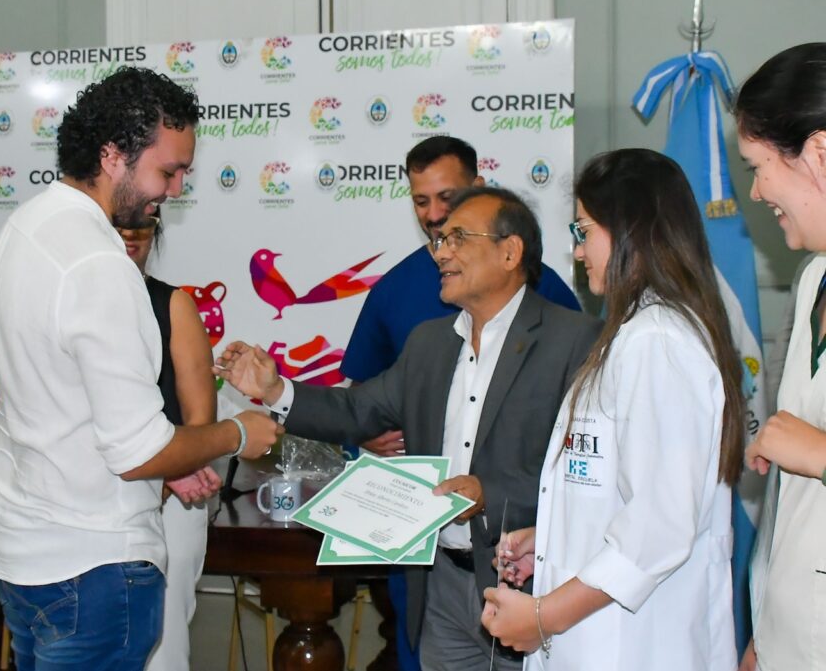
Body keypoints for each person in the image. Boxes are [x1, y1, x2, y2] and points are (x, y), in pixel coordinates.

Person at [216, 186, 600, 671]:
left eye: (458, 238)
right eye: (440, 241)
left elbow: (587, 477)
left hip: (526, 584)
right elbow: (357, 410)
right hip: (439, 586)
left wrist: (490, 494)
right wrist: (276, 390)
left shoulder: (574, 340)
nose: (441, 253)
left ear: (510, 252)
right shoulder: (428, 344)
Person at [0, 67, 281, 671]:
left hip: (22, 550)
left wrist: (170, 467)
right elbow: (139, 452)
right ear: (113, 155)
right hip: (90, 568)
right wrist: (238, 433)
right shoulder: (100, 263)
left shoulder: (25, 226)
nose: (176, 188)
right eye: (169, 171)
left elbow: (66, 404)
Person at [481, 148, 745, 671]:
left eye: (584, 231)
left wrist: (544, 616)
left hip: (640, 647)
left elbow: (659, 528)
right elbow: (621, 494)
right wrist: (553, 542)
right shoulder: (635, 334)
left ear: (631, 230)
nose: (578, 251)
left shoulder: (658, 341)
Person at [341, 135, 582, 671]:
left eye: (447, 201)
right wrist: (358, 431)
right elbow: (363, 399)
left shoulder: (552, 304)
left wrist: (497, 493)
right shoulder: (397, 294)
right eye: (421, 202)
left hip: (520, 565)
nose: (434, 219)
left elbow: (582, 450)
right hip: (429, 560)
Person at [733, 43, 826, 671]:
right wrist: (763, 633)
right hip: (790, 632)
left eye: (758, 166)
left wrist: (817, 452)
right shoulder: (813, 277)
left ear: (818, 154)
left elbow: (806, 451)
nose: (756, 190)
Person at [117, 208, 217, 671]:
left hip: (172, 495)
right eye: (119, 224)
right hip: (94, 496)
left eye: (143, 224)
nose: (131, 234)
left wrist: (162, 480)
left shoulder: (172, 304)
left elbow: (200, 422)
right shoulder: (70, 303)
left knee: (162, 646)